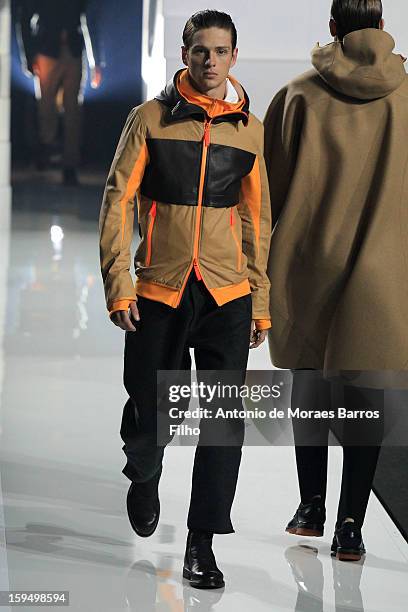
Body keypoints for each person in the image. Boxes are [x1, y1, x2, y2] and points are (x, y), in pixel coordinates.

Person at [99, 10, 271, 589]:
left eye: (221, 52)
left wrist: (260, 297)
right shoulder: (149, 119)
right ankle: (144, 473)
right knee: (152, 418)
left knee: (225, 423)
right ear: (184, 52)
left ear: (234, 57)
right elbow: (119, 200)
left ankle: (201, 542)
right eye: (201, 51)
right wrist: (119, 282)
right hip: (160, 292)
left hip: (227, 294)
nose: (210, 61)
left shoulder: (249, 128)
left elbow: (256, 218)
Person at [264, 0, 407, 561]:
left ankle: (310, 506)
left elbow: (266, 185)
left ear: (332, 27)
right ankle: (351, 524)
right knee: (367, 395)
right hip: (384, 267)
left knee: (310, 382)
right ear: (382, 25)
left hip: (307, 261)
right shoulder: (405, 96)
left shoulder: (299, 95)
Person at [16, 0, 103, 185]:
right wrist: (29, 56)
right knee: (46, 108)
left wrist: (95, 60)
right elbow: (24, 18)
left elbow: (86, 18)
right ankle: (47, 150)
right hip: (47, 50)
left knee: (73, 111)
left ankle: (69, 165)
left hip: (70, 50)